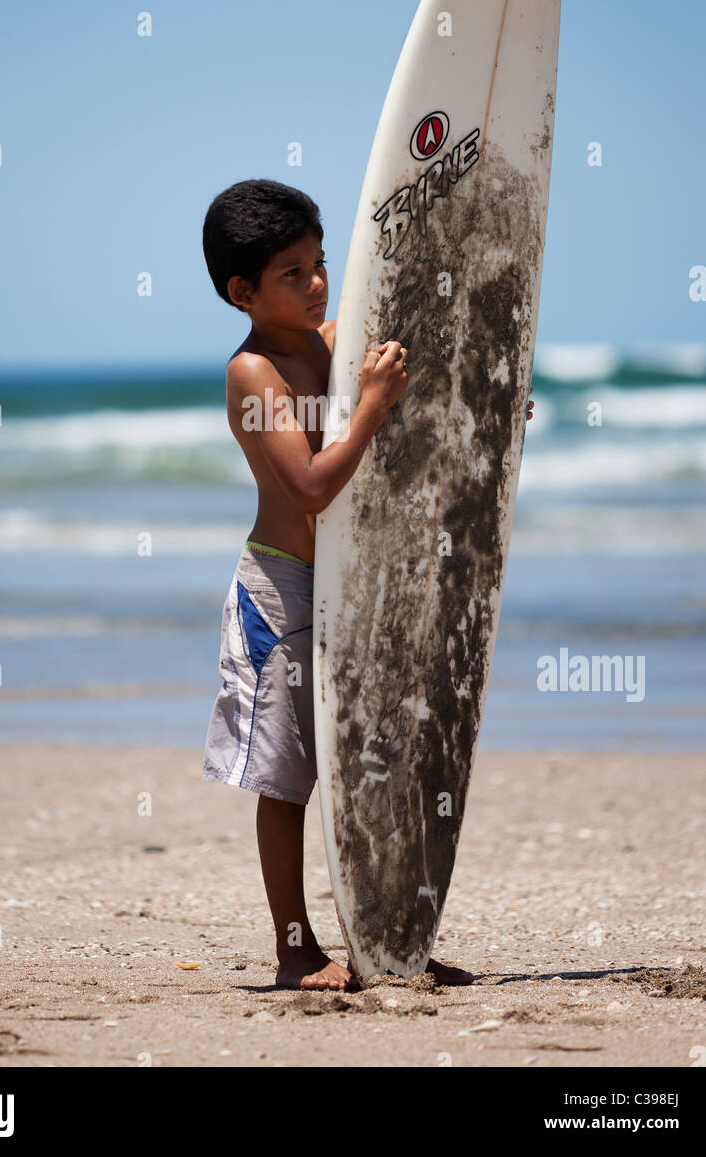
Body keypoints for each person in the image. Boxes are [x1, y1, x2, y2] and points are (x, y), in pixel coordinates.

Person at [200, 178, 532, 991]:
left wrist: (485, 405)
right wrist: (371, 410)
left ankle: (392, 936)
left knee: (379, 758)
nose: (317, 284)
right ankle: (294, 950)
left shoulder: (330, 341)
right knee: (289, 780)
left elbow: (429, 372)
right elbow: (309, 486)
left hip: (360, 583)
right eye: (292, 274)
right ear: (243, 292)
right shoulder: (256, 373)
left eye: (319, 264)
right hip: (283, 595)